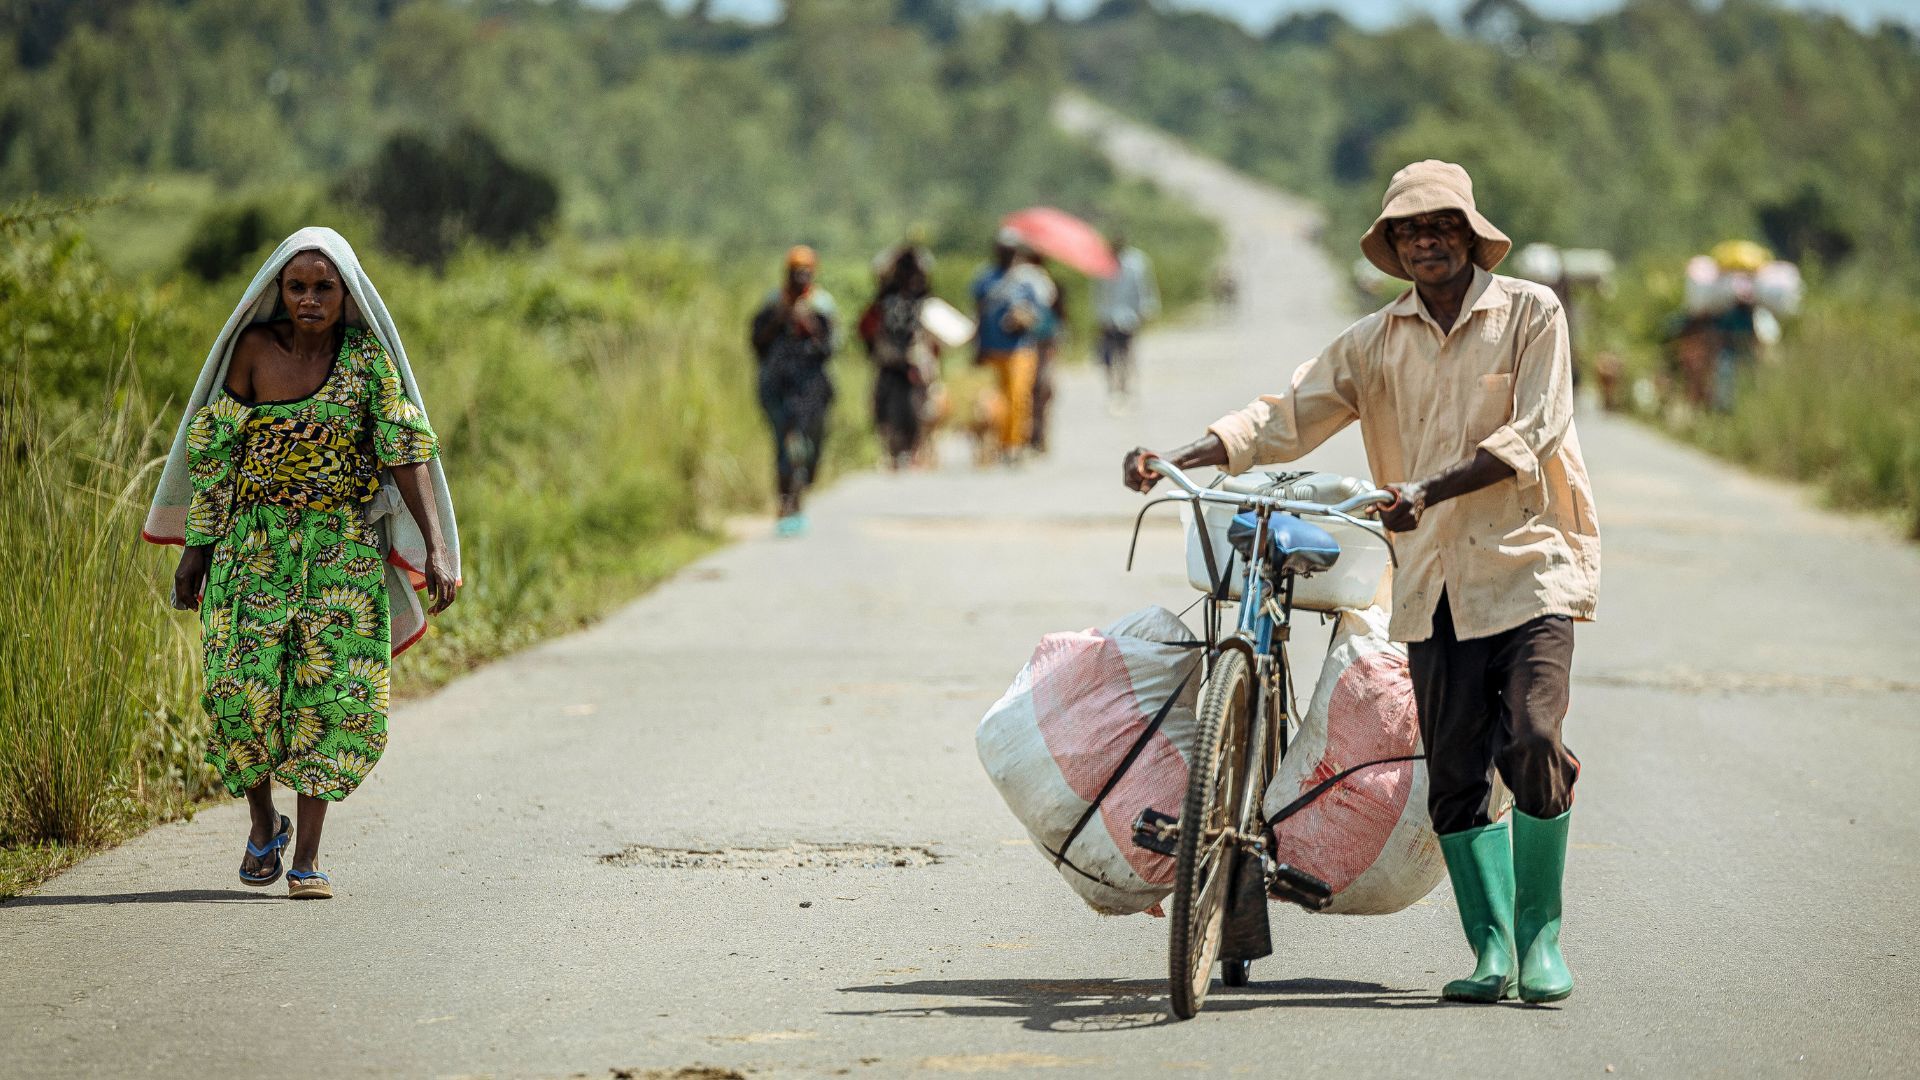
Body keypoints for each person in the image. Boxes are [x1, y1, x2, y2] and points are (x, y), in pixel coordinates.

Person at [1123, 160, 1600, 1005]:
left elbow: (1537, 428)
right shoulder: (1378, 340)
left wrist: (1430, 490)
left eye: (1441, 226)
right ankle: (1490, 950)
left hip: (1528, 566)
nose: (1427, 241)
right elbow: (1289, 413)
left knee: (1530, 736)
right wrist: (1179, 456)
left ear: (1470, 234)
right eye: (1410, 231)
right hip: (1430, 582)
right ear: (1393, 247)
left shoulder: (1531, 312)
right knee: (1453, 769)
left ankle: (1542, 944)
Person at [144, 227, 458, 901]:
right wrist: (196, 552)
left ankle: (308, 859)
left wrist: (435, 546)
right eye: (297, 287)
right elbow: (217, 457)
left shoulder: (368, 360)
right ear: (277, 293)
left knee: (333, 697)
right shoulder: (253, 353)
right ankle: (264, 823)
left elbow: (405, 453)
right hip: (249, 550)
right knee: (237, 692)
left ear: (347, 295)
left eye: (324, 287)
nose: (310, 299)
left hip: (340, 553)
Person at [751, 245, 838, 535]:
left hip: (811, 387)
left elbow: (829, 348)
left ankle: (798, 495)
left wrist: (809, 324)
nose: (800, 278)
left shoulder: (821, 306)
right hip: (778, 386)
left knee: (809, 446)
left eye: (805, 272)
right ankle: (788, 504)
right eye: (794, 273)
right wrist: (781, 317)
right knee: (787, 445)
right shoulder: (773, 304)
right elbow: (756, 343)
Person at [970, 232, 1056, 463]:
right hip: (991, 348)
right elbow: (977, 313)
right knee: (993, 401)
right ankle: (996, 444)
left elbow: (1038, 314)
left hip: (1020, 349)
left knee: (1018, 399)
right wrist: (976, 346)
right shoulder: (985, 279)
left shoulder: (1027, 281)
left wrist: (1020, 319)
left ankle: (1014, 445)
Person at [858, 245, 938, 469]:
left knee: (922, 404)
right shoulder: (886, 302)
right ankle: (894, 449)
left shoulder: (922, 302)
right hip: (890, 360)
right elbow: (868, 329)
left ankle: (914, 449)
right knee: (883, 404)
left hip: (914, 360)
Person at [1094, 230, 1161, 407]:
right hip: (1109, 317)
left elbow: (1144, 288)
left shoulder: (1136, 263)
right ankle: (1113, 388)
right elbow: (1098, 293)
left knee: (1126, 353)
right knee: (1109, 355)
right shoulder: (1103, 264)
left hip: (1129, 316)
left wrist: (1146, 310)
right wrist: (1099, 316)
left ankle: (1125, 387)